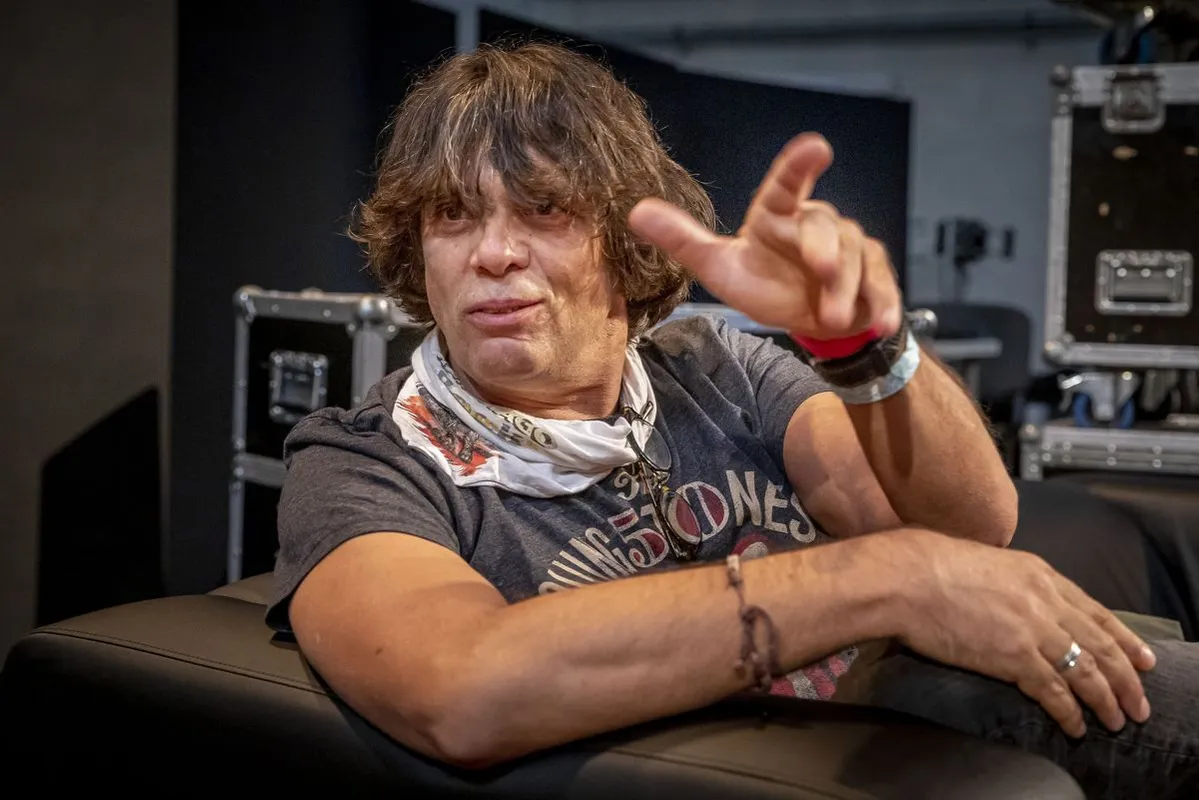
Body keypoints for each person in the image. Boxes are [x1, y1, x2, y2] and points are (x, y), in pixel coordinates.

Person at [266, 41, 1198, 797]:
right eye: (453, 216)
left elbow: (970, 527)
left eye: (544, 211)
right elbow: (462, 688)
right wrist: (886, 578)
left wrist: (866, 348)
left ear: (625, 240)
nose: (494, 253)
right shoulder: (363, 459)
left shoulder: (717, 368)